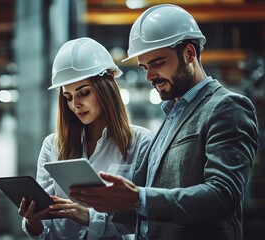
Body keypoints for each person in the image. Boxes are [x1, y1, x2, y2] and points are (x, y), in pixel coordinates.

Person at [70, 4, 259, 240]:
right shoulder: (171, 117)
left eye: (157, 63)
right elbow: (144, 208)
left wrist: (138, 197)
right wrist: (89, 213)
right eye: (144, 67)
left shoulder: (227, 107)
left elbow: (223, 196)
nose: (149, 76)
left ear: (189, 53)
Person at [18, 37, 153, 239]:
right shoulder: (52, 145)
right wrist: (33, 220)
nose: (75, 105)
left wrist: (89, 217)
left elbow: (145, 219)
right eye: (69, 97)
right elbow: (44, 232)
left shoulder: (140, 142)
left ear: (106, 89)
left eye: (84, 93)